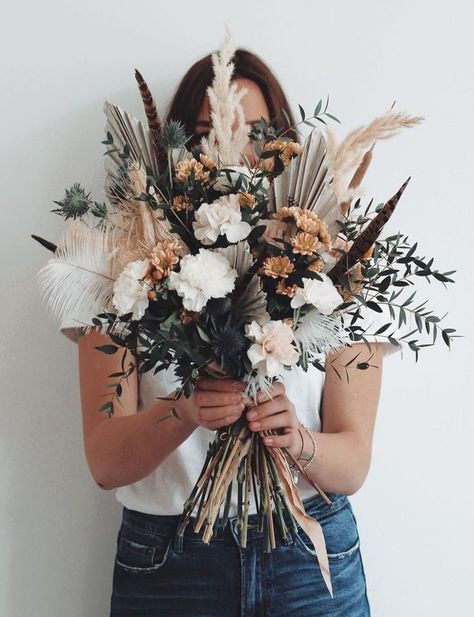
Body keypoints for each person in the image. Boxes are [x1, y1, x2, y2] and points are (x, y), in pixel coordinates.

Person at [60, 48, 399, 617]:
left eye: (259, 132)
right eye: (208, 130)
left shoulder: (340, 260)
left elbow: (353, 462)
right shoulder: (122, 263)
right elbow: (106, 461)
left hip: (308, 560)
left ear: (285, 142)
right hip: (171, 564)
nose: (237, 149)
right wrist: (184, 411)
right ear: (177, 146)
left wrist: (297, 441)